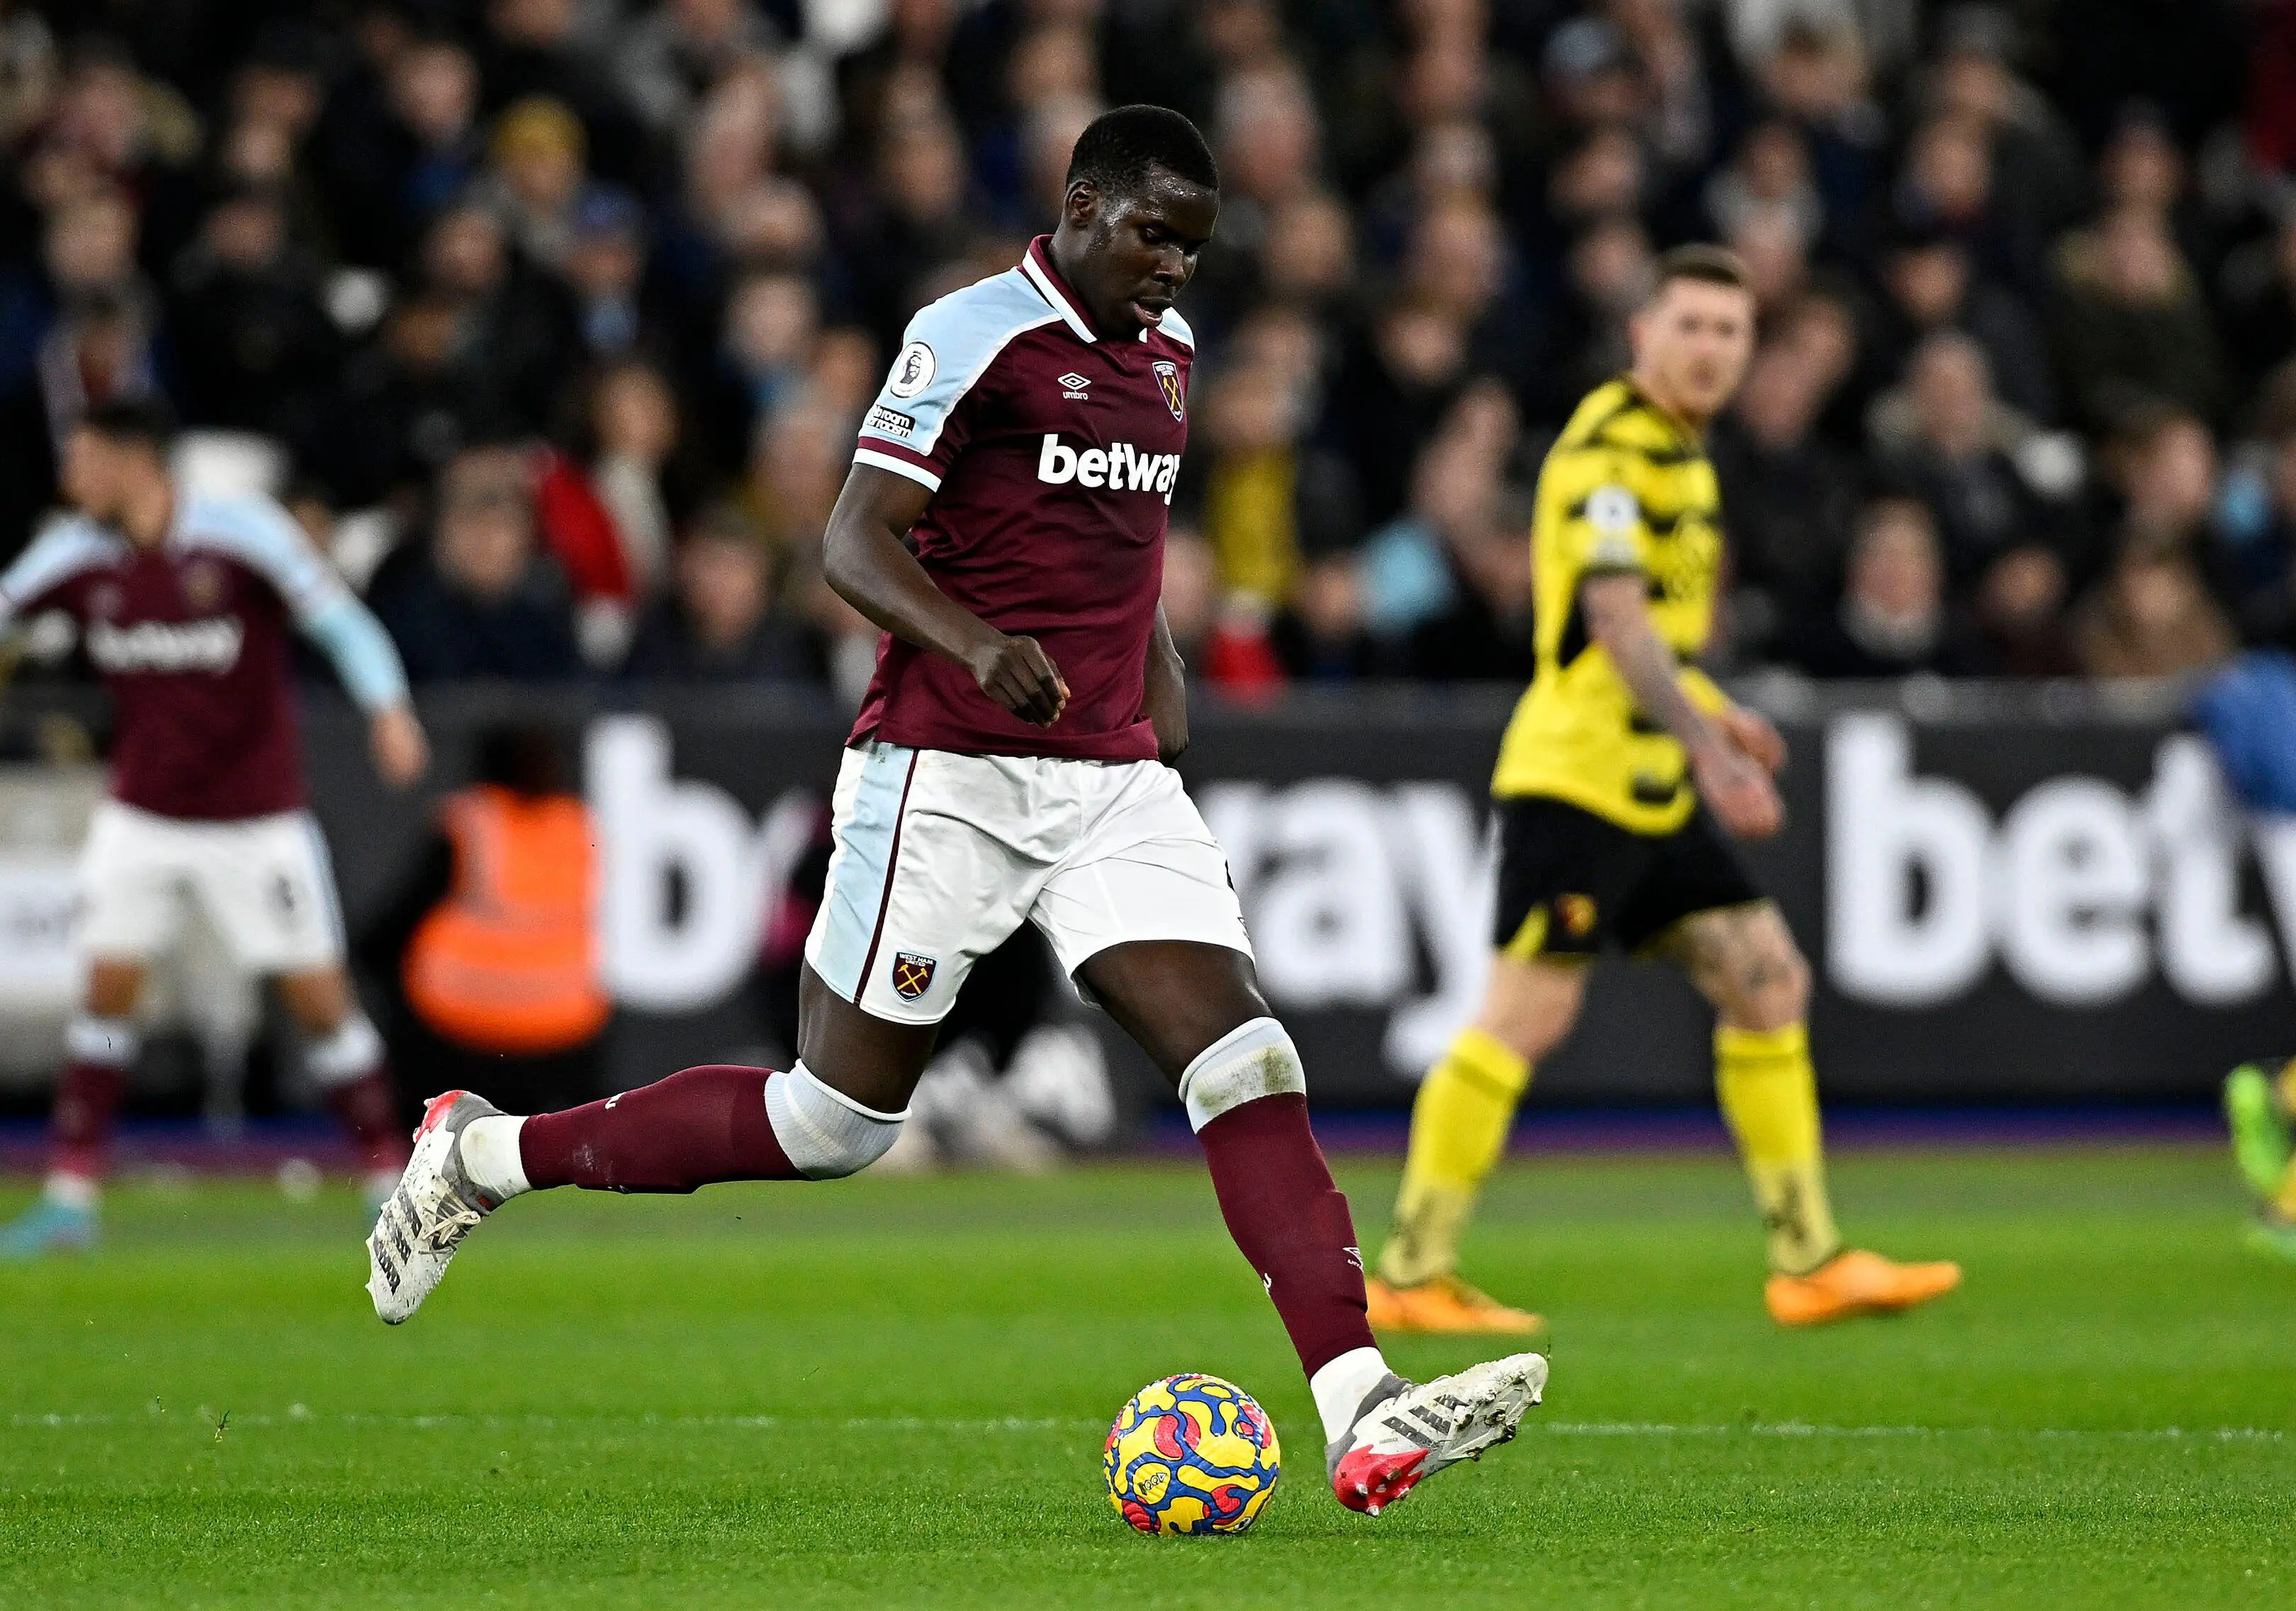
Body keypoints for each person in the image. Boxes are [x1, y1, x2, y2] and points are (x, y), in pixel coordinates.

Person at [364, 104, 1546, 1518]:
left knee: (1245, 1060)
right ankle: (484, 1152)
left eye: (1196, 246)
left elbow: (1127, 549)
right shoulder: (973, 330)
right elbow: (850, 538)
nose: (1176, 267)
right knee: (835, 1122)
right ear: (1084, 204)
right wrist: (977, 644)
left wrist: (1160, 678)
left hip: (1110, 778)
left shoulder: (1165, 360)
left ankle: (1361, 1410)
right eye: (1155, 233)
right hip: (945, 772)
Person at [1363, 247, 1962, 1334]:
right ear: (1642, 333)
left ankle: (1807, 1257)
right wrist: (1712, 749)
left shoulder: (1683, 456)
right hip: (1579, 779)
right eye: (1690, 325)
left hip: (1645, 780)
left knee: (1767, 977)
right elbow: (1616, 627)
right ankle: (1408, 1271)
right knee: (1526, 1013)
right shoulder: (1608, 452)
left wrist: (1711, 714)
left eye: (1731, 331)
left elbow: (1654, 643)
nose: (1711, 349)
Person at [0, 397, 429, 1258]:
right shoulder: (77, 552)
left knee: (318, 1000)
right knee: (106, 988)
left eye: (85, 459)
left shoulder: (244, 535)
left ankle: (394, 1176)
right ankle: (72, 1198)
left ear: (135, 460)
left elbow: (339, 620)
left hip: (255, 817)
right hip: (143, 814)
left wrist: (389, 707)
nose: (71, 478)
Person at [362, 723, 609, 1116]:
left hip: (461, 1023)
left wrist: (364, 956)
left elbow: (396, 922)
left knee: (389, 980)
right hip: (564, 1030)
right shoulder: (577, 825)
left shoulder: (472, 823)